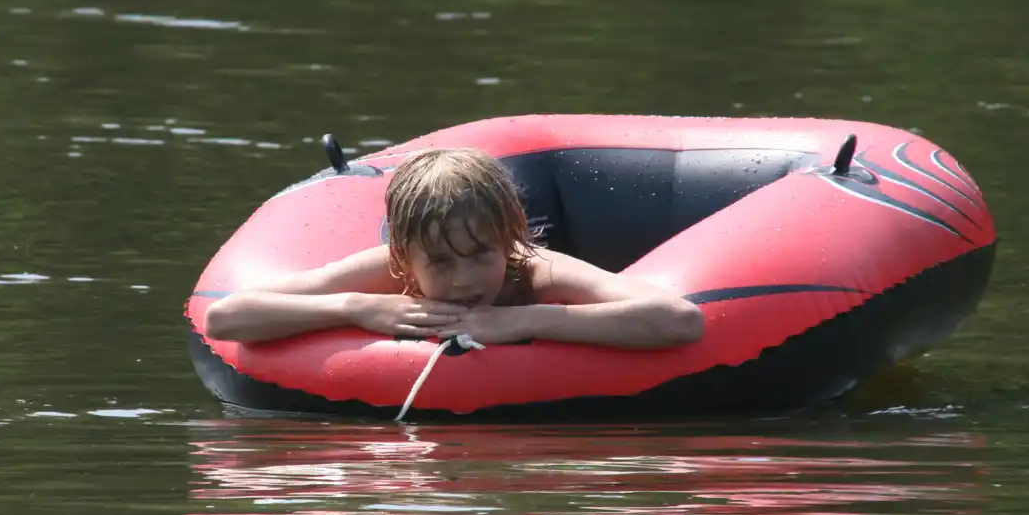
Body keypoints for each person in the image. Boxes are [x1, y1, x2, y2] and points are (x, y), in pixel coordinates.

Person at [202, 147, 703, 349]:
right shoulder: (389, 275)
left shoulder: (530, 270)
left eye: (481, 255)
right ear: (405, 257)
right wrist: (357, 308)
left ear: (508, 241)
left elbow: (680, 320)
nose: (464, 279)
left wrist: (527, 319)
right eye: (440, 263)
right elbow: (226, 319)